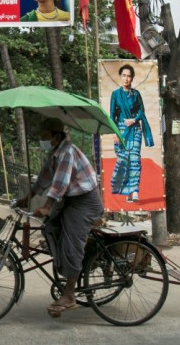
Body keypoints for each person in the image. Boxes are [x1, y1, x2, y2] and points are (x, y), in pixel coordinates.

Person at [16, 118, 102, 318]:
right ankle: (66, 266)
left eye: (44, 136)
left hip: (85, 202)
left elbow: (60, 183)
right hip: (71, 200)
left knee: (71, 242)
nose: (42, 140)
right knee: (50, 227)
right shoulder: (54, 154)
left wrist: (47, 206)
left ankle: (70, 295)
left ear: (55, 136)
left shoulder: (67, 152)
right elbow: (44, 178)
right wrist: (26, 198)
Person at [109, 64, 154, 202]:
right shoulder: (116, 94)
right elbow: (112, 115)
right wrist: (115, 133)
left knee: (134, 159)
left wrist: (134, 119)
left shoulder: (136, 94)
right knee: (123, 160)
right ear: (121, 77)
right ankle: (125, 191)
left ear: (132, 78)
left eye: (129, 76)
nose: (126, 78)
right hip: (121, 131)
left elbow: (141, 112)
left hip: (135, 129)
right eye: (124, 75)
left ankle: (134, 191)